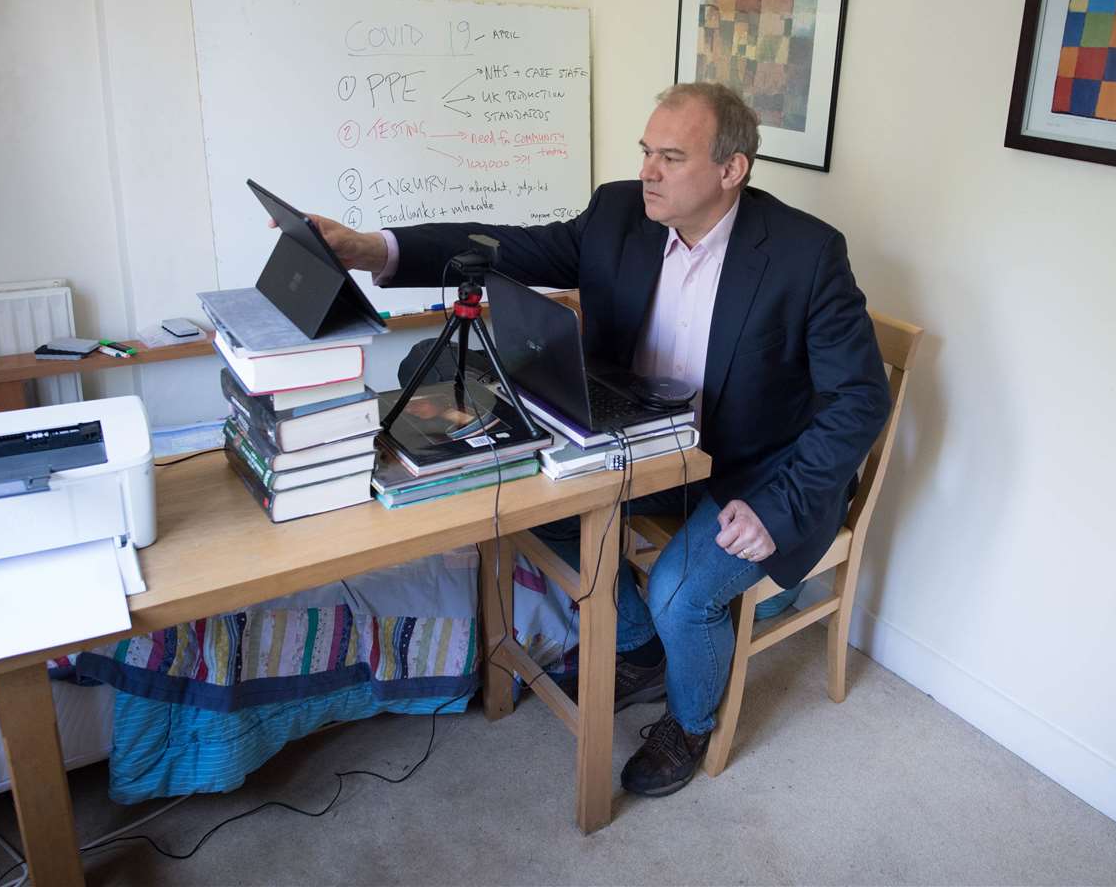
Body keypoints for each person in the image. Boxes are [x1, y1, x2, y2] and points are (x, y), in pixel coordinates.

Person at [311, 82, 890, 797]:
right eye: (647, 151)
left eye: (671, 157)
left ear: (732, 169)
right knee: (525, 499)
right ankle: (641, 646)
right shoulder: (620, 212)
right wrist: (374, 248)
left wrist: (780, 508)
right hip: (640, 441)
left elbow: (861, 397)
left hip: (754, 470)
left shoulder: (806, 255)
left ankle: (690, 720)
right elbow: (507, 247)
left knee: (683, 588)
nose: (648, 170)